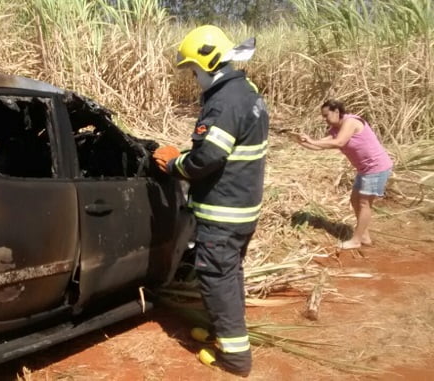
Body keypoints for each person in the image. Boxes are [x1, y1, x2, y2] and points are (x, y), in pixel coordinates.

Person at [153, 25, 269, 377]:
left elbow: (207, 160)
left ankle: (234, 358)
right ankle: (227, 334)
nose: (193, 76)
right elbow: (223, 151)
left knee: (217, 279)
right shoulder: (245, 92)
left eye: (193, 69)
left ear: (208, 63)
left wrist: (174, 164)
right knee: (230, 274)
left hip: (223, 212)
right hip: (242, 209)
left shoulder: (224, 102)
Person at [296, 99, 393, 249]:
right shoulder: (335, 128)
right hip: (364, 169)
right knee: (355, 200)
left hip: (376, 167)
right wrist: (302, 142)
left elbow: (339, 143)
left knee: (364, 203)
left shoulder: (351, 122)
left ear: (336, 112)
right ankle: (364, 236)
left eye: (326, 115)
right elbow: (319, 145)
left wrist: (312, 141)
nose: (325, 119)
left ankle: (356, 240)